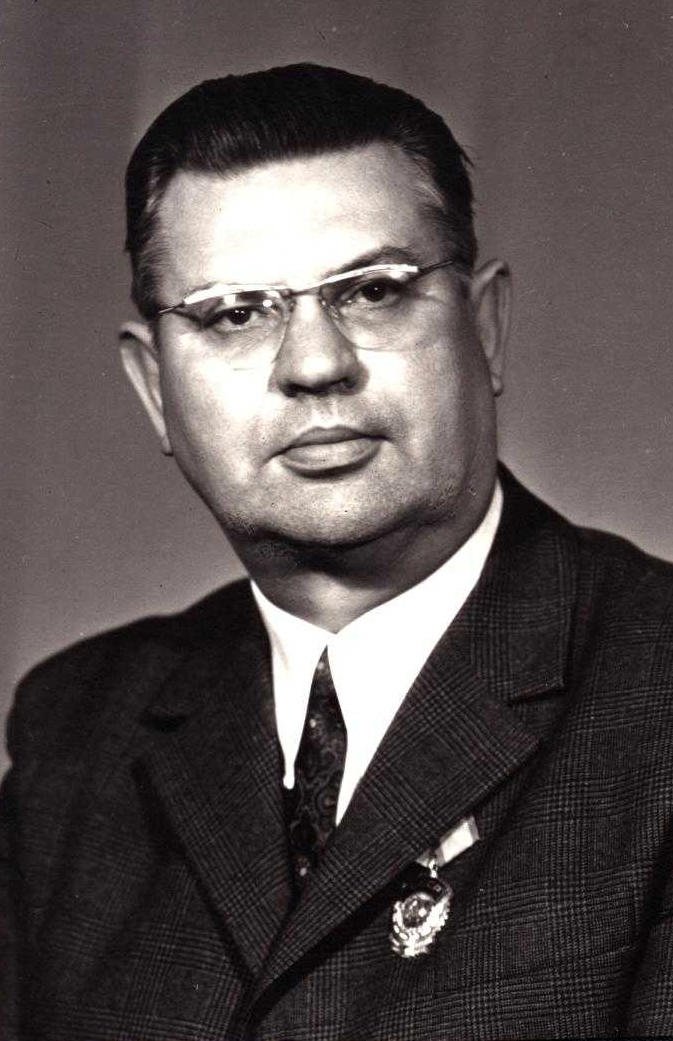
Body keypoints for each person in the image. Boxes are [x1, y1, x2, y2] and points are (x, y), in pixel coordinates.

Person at [2, 62, 673, 1041]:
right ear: (154, 390)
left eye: (372, 292)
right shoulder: (77, 735)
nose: (315, 364)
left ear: (485, 327)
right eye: (234, 313)